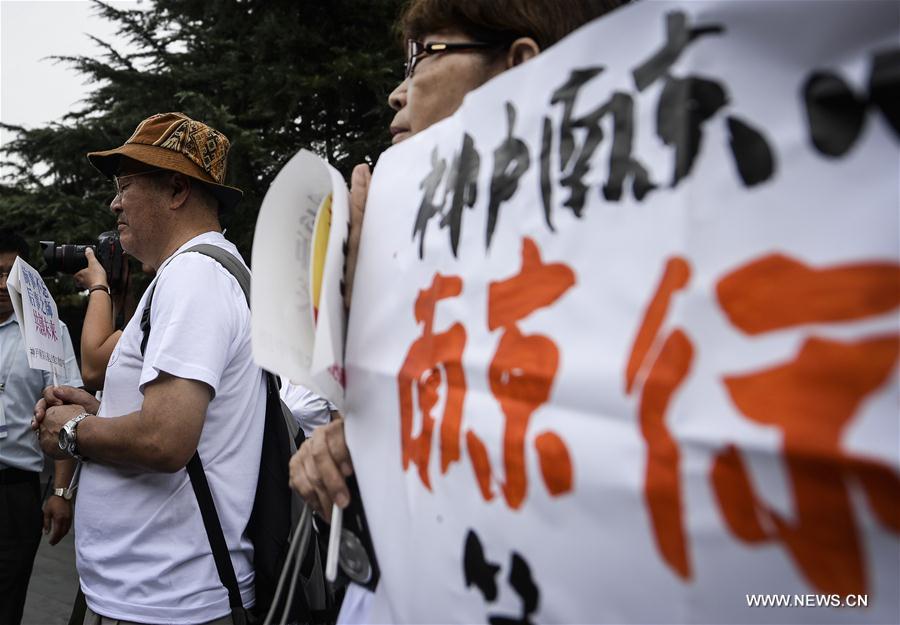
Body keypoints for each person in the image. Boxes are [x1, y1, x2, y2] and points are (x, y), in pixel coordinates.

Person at [290, 0, 628, 521]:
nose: (397, 92)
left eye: (426, 54)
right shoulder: (419, 240)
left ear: (520, 66)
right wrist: (343, 439)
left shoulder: (606, 257)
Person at [33, 112, 266, 625]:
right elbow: (183, 419)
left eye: (126, 185)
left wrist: (71, 430)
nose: (114, 202)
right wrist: (100, 408)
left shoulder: (193, 277)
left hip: (164, 602)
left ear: (177, 189)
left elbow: (166, 439)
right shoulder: (198, 273)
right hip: (156, 595)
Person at [0, 230, 83, 625]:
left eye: (7, 274)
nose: (1, 284)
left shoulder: (48, 333)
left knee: (6, 600)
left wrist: (61, 493)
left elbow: (67, 414)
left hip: (14, 492)